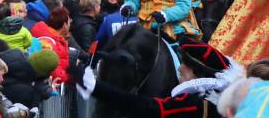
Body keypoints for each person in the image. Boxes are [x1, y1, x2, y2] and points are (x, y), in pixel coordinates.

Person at [74, 41, 243, 118]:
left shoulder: (195, 103)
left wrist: (97, 88)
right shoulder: (226, 101)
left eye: (183, 64)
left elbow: (147, 107)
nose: (179, 67)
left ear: (195, 73)